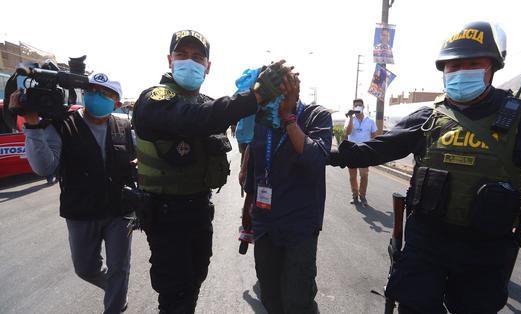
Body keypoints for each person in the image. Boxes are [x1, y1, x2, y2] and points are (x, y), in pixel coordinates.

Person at [328, 21, 521, 313]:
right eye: (453, 66)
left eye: (472, 63)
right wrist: (323, 154)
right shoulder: (429, 116)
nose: (461, 72)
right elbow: (375, 150)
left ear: (493, 66)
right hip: (426, 244)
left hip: (484, 251)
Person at [131, 29, 285, 313]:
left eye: (197, 57)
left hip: (199, 210)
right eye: (182, 55)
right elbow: (195, 120)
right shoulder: (154, 99)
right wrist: (254, 96)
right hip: (166, 214)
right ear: (170, 60)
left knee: (194, 281)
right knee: (174, 292)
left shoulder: (205, 103)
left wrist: (266, 100)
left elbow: (222, 116)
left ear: (207, 66)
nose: (189, 61)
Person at [21, 73, 135, 314]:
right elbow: (45, 167)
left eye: (105, 93)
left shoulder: (124, 126)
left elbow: (137, 162)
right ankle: (115, 288)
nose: (96, 96)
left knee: (119, 268)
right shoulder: (63, 124)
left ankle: (115, 304)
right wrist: (32, 125)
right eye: (92, 90)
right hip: (81, 212)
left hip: (119, 211)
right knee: (85, 268)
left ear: (116, 102)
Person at [242, 68, 333, 314]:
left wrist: (289, 118)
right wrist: (247, 207)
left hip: (299, 228)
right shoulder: (263, 122)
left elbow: (315, 159)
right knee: (270, 295)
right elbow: (256, 168)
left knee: (297, 301)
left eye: (281, 91)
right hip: (265, 225)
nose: (273, 98)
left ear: (295, 89)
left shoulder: (317, 116)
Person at [344, 98, 377, 206]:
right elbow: (347, 132)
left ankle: (362, 196)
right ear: (353, 107)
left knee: (364, 175)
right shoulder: (350, 119)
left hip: (364, 152)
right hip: (352, 151)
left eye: (360, 105)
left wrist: (372, 151)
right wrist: (350, 117)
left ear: (363, 106)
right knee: (352, 176)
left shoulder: (370, 121)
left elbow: (374, 136)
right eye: (356, 106)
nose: (358, 107)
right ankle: (355, 195)